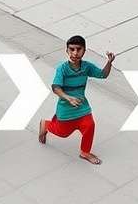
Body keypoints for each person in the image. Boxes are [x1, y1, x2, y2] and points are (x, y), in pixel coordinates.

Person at [39, 35, 115, 164]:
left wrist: (109, 62)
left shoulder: (86, 67)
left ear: (84, 51)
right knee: (63, 133)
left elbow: (103, 74)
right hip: (65, 109)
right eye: (71, 49)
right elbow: (56, 87)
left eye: (78, 49)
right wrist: (68, 98)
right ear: (67, 51)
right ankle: (45, 125)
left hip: (82, 107)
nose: (75, 53)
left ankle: (85, 152)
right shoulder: (62, 69)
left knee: (89, 126)